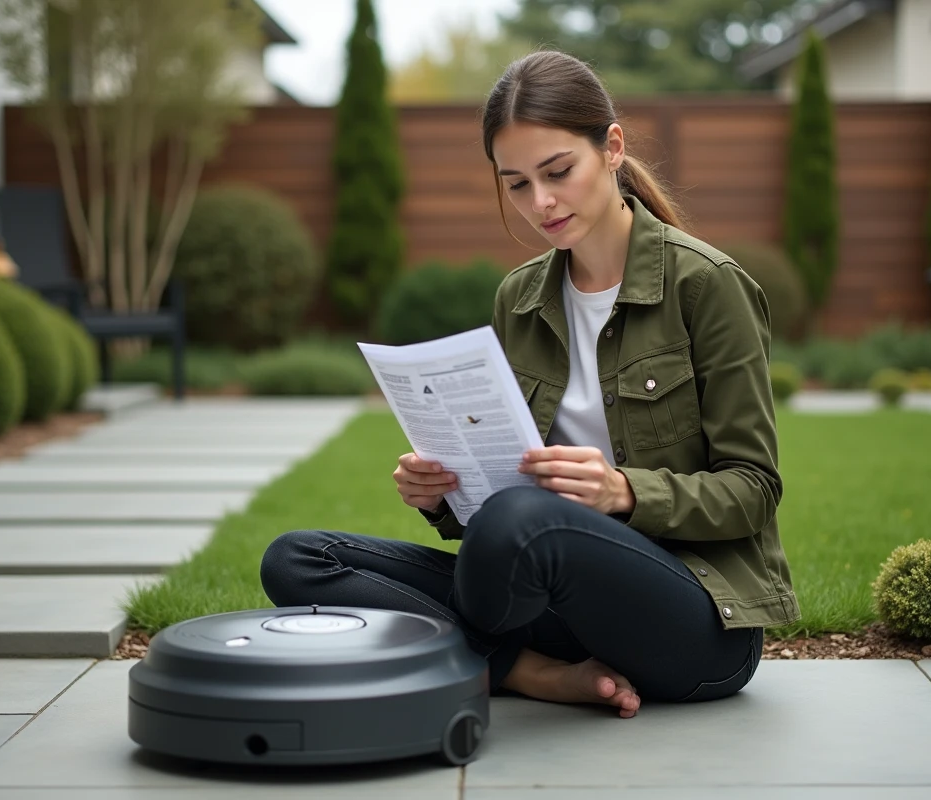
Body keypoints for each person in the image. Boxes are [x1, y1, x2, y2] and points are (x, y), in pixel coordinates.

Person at [260, 50, 800, 718]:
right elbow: (501, 506)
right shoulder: (519, 299)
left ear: (611, 148)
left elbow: (753, 490)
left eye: (557, 172)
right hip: (552, 596)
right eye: (516, 183)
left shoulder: (706, 286)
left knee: (524, 523)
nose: (540, 202)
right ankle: (528, 671)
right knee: (299, 560)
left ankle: (481, 655)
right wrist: (443, 494)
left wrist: (624, 492)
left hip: (695, 621)